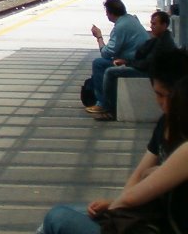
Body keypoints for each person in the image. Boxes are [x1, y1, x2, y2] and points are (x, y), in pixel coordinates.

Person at [38, 49, 188, 234]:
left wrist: (115, 208)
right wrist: (116, 204)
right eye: (158, 94)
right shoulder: (165, 123)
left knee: (57, 217)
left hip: (158, 226)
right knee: (61, 217)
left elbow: (131, 198)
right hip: (150, 218)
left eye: (168, 96)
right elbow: (140, 174)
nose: (163, 103)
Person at [93, 10, 177, 121]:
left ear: (164, 25)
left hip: (151, 73)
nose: (151, 27)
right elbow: (141, 53)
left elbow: (146, 63)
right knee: (102, 64)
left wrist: (127, 62)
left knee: (110, 72)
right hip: (150, 68)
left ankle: (110, 110)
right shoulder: (159, 38)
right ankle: (103, 103)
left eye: (154, 24)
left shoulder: (163, 43)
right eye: (151, 24)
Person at [85, 0, 149, 115]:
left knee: (99, 64)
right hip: (139, 60)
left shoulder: (120, 27)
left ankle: (103, 104)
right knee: (105, 63)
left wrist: (99, 37)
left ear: (110, 13)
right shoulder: (130, 19)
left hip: (138, 65)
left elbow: (106, 53)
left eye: (106, 12)